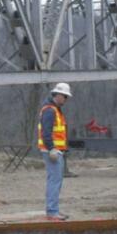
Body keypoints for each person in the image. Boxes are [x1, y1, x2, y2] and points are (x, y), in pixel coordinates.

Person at [39, 82, 71, 221]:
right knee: (54, 181)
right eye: (64, 96)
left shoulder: (55, 110)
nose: (65, 99)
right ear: (57, 95)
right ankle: (52, 211)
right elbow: (46, 132)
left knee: (56, 181)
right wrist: (52, 148)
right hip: (51, 152)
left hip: (56, 151)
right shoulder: (50, 110)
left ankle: (54, 210)